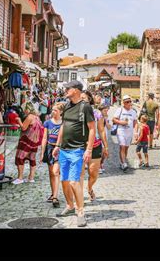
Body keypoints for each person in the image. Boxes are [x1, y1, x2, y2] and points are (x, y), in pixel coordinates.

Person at [52, 81, 95, 227]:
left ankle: (80, 211)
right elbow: (63, 126)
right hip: (64, 149)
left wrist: (88, 149)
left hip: (77, 149)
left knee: (74, 181)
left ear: (76, 90)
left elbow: (92, 129)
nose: (65, 90)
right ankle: (70, 206)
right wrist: (57, 145)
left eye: (68, 88)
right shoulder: (67, 105)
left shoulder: (85, 107)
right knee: (64, 180)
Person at [81, 91, 108, 201]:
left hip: (95, 145)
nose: (82, 101)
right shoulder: (75, 112)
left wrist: (105, 146)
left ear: (89, 100)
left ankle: (90, 187)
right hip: (80, 145)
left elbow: (101, 131)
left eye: (84, 99)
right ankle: (79, 196)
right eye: (80, 98)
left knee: (93, 173)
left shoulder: (96, 113)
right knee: (79, 174)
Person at [13, 102, 44, 185]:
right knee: (32, 158)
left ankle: (20, 178)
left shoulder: (29, 117)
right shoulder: (37, 117)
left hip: (26, 141)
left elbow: (23, 128)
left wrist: (19, 121)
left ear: (27, 109)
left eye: (24, 110)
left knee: (20, 158)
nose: (24, 112)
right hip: (34, 142)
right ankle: (31, 177)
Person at [41, 102, 64, 207]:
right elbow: (45, 138)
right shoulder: (47, 123)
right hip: (49, 148)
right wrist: (42, 153)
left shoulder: (63, 123)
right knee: (51, 173)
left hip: (59, 149)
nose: (53, 112)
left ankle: (55, 197)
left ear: (61, 112)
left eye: (55, 110)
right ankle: (53, 193)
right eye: (53, 110)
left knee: (56, 172)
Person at [112, 95, 138, 172]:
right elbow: (113, 119)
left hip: (129, 132)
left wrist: (136, 132)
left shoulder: (133, 111)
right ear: (123, 103)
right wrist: (121, 122)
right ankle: (124, 163)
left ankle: (122, 162)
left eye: (130, 102)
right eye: (127, 102)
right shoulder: (120, 110)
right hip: (121, 131)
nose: (129, 103)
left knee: (126, 148)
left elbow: (135, 122)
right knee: (122, 147)